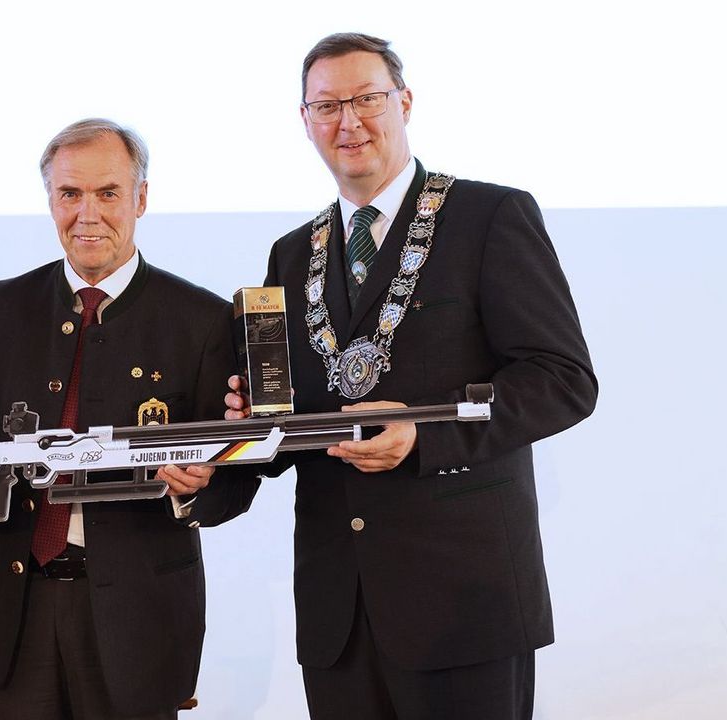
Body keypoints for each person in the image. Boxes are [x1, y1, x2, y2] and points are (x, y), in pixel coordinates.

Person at [224, 34, 598, 719]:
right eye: (327, 105)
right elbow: (290, 420)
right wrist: (248, 424)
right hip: (340, 611)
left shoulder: (490, 216)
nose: (349, 120)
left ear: (405, 101)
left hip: (465, 603)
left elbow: (563, 379)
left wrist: (426, 437)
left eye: (367, 98)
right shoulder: (288, 255)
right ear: (304, 120)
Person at [0, 118, 260, 720]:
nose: (87, 213)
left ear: (141, 198)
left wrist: (200, 488)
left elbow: (238, 482)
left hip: (140, 622)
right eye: (69, 194)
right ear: (50, 200)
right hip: (18, 611)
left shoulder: (202, 319)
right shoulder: (2, 306)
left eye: (108, 193)